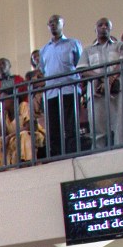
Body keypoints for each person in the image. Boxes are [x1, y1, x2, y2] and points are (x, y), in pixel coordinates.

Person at [40, 14, 84, 157]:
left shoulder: (73, 43)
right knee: (53, 128)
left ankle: (73, 154)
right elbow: (43, 70)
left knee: (71, 125)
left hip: (69, 90)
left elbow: (80, 65)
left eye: (56, 22)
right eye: (50, 22)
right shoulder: (44, 50)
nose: (53, 25)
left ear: (62, 24)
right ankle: (57, 156)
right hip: (51, 93)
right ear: (48, 26)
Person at [85, 17, 123, 149]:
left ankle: (120, 151)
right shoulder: (87, 50)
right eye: (100, 25)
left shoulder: (120, 46)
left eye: (107, 25)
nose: (103, 27)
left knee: (119, 123)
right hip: (95, 91)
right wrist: (102, 77)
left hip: (117, 90)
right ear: (95, 29)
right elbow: (83, 70)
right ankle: (99, 155)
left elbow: (122, 63)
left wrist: (109, 80)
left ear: (110, 29)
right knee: (97, 125)